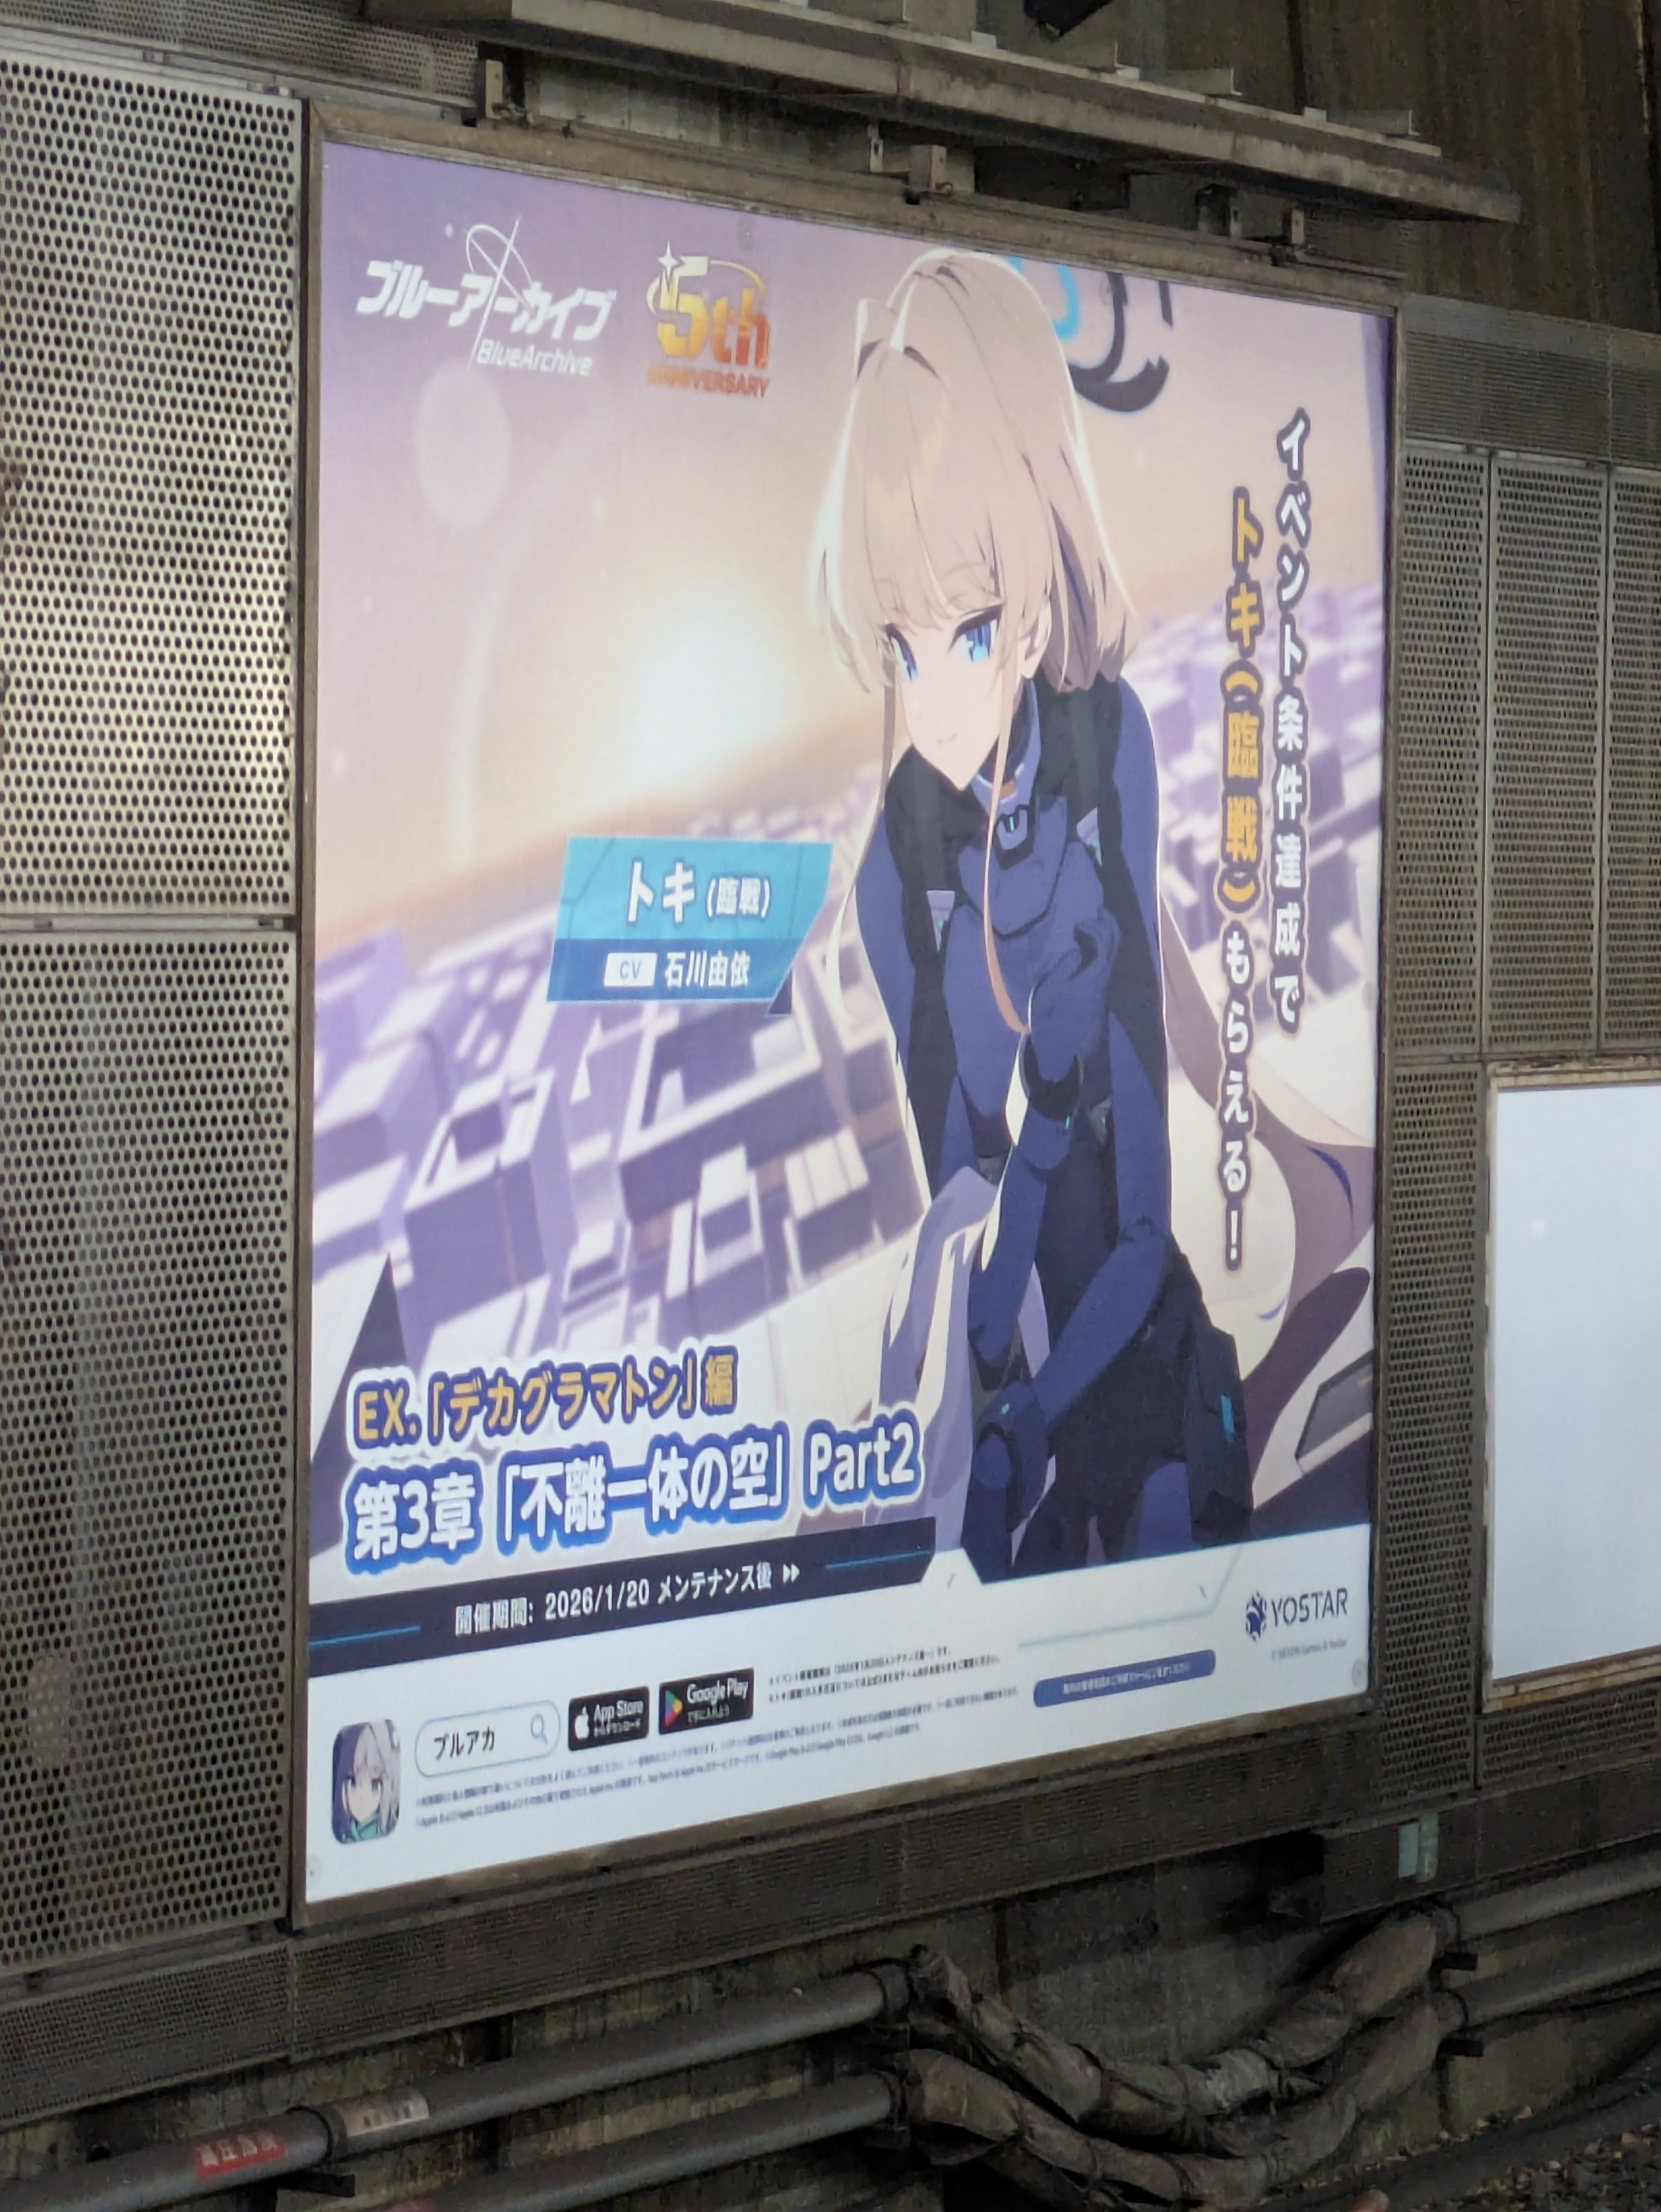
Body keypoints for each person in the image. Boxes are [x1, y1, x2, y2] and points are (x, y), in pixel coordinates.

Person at [810, 248, 1250, 1580]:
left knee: (1169, 1511)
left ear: (1038, 576)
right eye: (903, 644)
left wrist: (1041, 1411)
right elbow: (974, 1272)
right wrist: (1015, 1416)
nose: (935, 703)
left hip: (1132, 1345)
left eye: (969, 630)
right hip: (1010, 1381)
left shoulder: (1104, 746)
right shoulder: (898, 872)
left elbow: (1142, 1225)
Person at [332, 1718, 400, 1842]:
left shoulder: (384, 1831)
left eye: (375, 1786)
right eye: (353, 1783)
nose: (361, 1796)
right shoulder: (344, 1833)